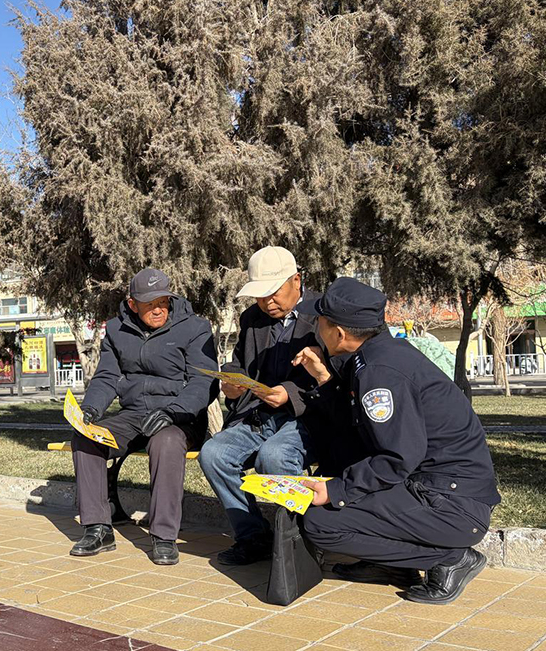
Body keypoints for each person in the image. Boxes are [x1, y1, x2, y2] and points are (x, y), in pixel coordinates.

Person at [296, 277, 500, 605]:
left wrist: (336, 490)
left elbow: (397, 457)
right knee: (341, 483)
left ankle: (451, 559)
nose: (316, 328)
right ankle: (391, 564)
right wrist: (324, 377)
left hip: (451, 505)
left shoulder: (380, 372)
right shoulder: (379, 355)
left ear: (340, 333)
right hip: (437, 490)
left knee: (321, 524)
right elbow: (360, 432)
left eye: (320, 320)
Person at [71, 269, 218, 565]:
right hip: (134, 415)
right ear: (133, 304)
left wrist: (172, 412)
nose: (159, 309)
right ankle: (98, 528)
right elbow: (107, 377)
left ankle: (163, 535)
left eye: (163, 301)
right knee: (85, 438)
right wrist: (90, 409)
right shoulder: (117, 329)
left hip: (181, 417)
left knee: (166, 443)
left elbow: (204, 382)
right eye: (150, 304)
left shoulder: (195, 327)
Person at [198, 246, 321, 565]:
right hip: (259, 414)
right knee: (214, 454)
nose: (267, 302)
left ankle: (304, 538)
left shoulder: (322, 315)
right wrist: (232, 383)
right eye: (260, 295)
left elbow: (333, 374)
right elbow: (241, 363)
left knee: (275, 456)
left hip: (308, 417)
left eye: (273, 292)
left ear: (296, 281)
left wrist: (289, 393)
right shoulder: (252, 318)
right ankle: (253, 536)